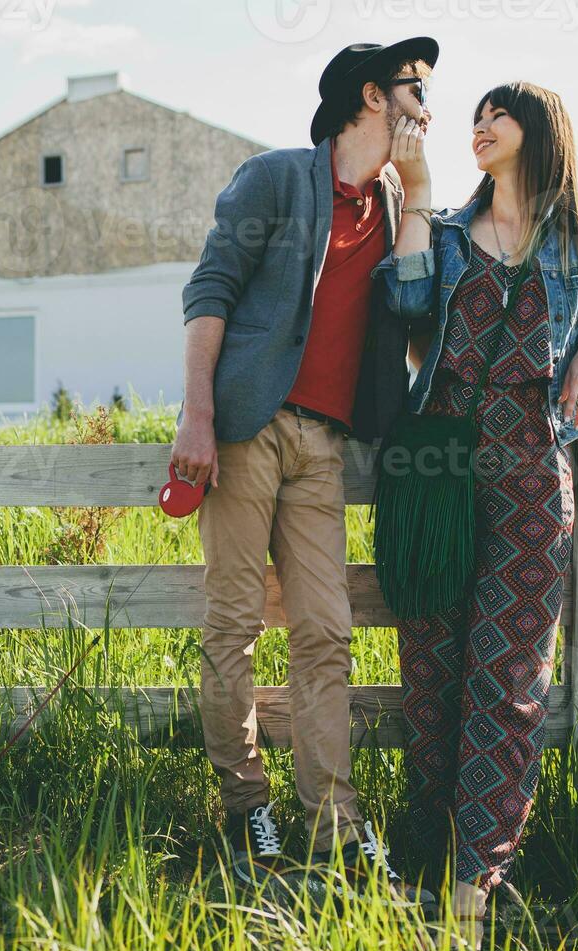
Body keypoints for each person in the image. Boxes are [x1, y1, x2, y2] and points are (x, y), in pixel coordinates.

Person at [173, 38, 439, 903]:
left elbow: (410, 306)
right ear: (372, 95)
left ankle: (336, 824)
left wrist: (422, 195)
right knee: (234, 625)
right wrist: (199, 415)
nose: (428, 100)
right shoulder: (277, 179)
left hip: (323, 444)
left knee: (325, 629)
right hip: (248, 428)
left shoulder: (399, 197)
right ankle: (246, 804)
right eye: (415, 86)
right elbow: (209, 291)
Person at [376, 80, 578, 951]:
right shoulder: (443, 231)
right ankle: (419, 855)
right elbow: (403, 313)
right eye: (475, 116)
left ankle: (477, 878)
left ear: (540, 130)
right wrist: (411, 193)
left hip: (529, 457)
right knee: (433, 668)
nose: (479, 127)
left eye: (498, 115)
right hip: (436, 459)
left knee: (509, 675)